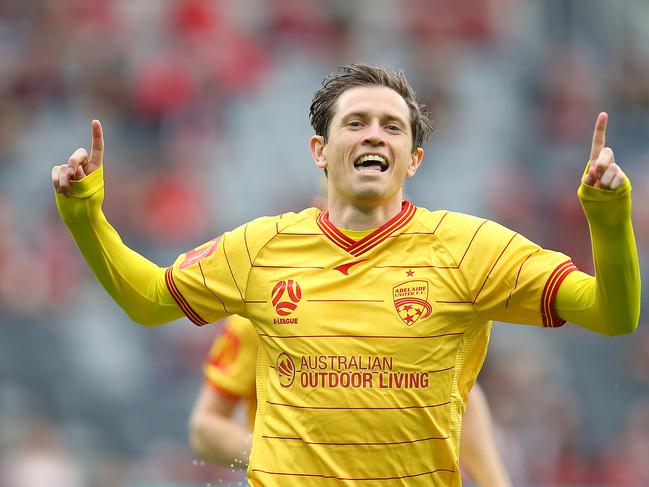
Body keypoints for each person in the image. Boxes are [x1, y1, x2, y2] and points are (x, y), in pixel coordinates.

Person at [52, 64, 640, 486]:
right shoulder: (261, 247)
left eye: (392, 126)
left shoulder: (472, 248)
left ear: (414, 159)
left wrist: (608, 219)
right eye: (355, 122)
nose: (374, 134)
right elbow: (150, 300)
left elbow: (614, 316)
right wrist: (85, 215)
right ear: (320, 150)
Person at [190, 315, 512, 487]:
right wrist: (288, 460)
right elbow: (204, 427)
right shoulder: (265, 312)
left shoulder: (420, 308)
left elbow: (461, 398)